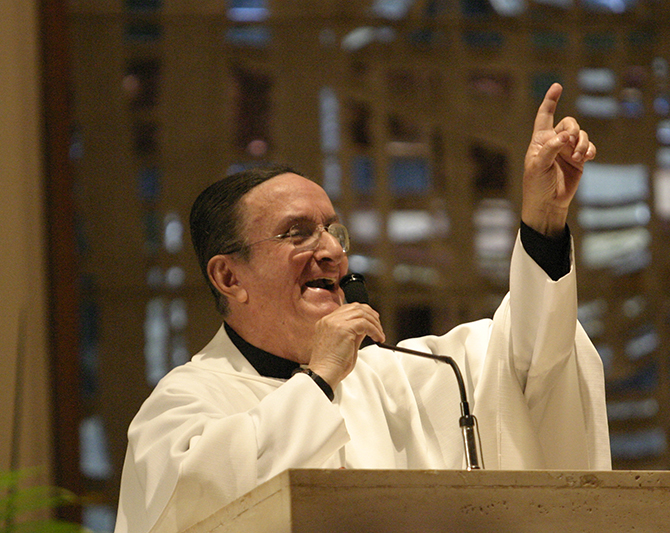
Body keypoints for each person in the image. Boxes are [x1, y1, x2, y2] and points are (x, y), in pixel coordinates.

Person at [115, 83, 611, 533]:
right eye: (297, 233)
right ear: (229, 277)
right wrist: (320, 378)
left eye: (333, 230)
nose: (332, 251)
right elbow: (198, 503)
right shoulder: (186, 404)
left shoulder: (404, 377)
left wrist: (544, 219)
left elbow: (530, 362)